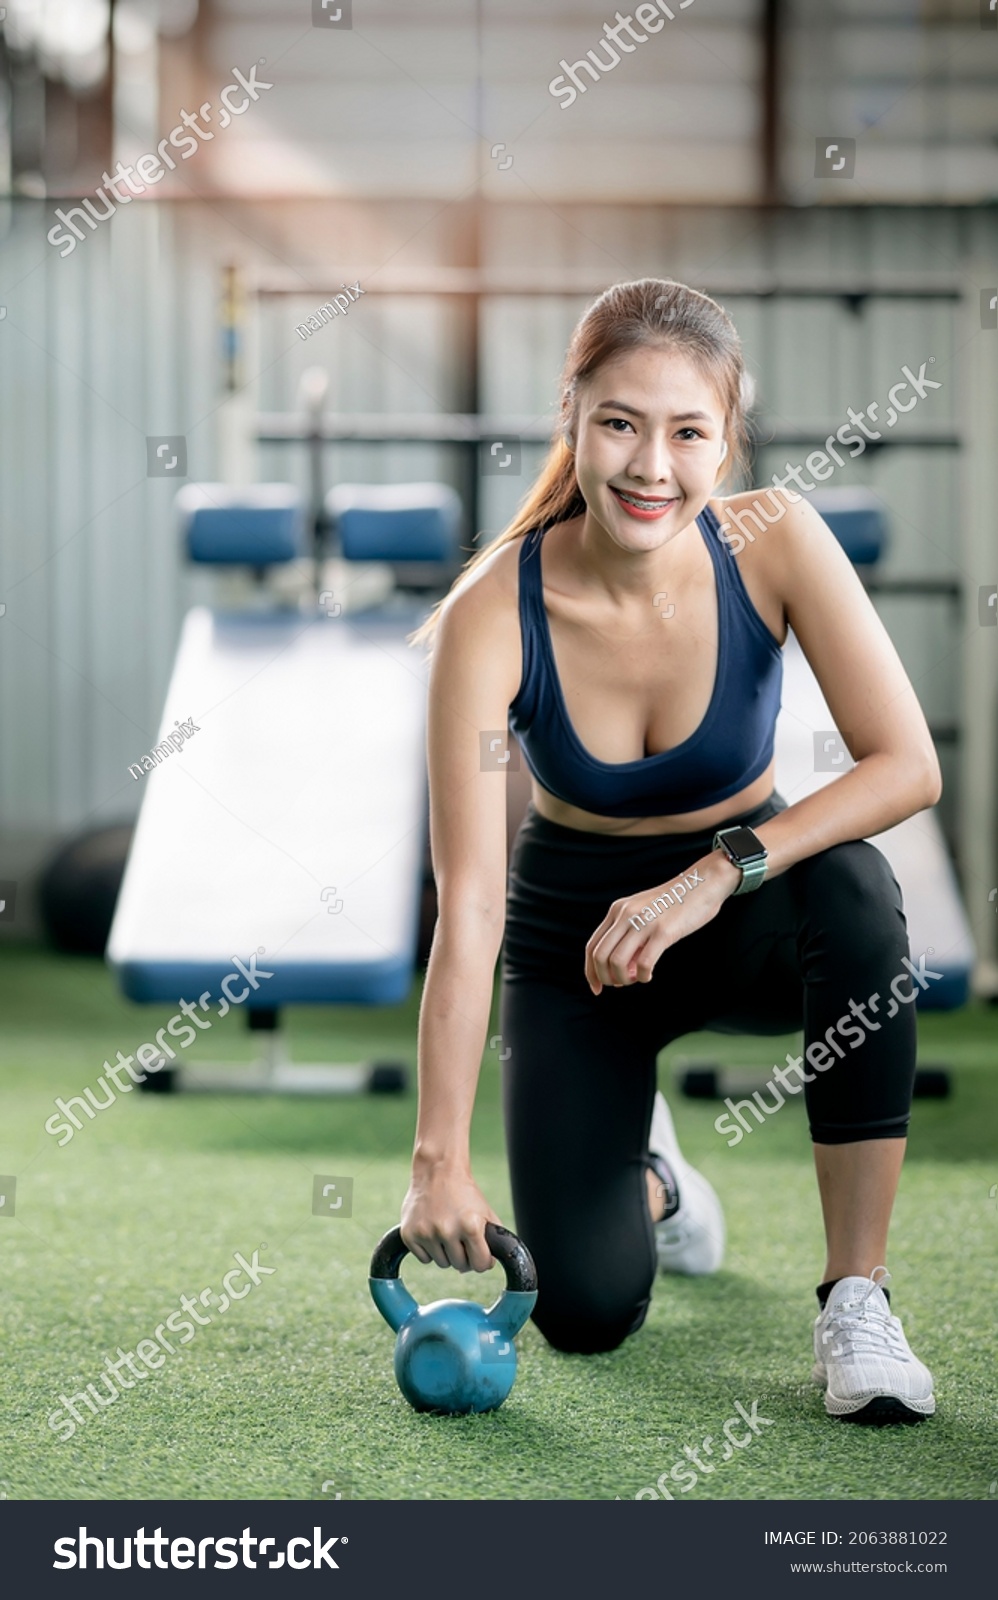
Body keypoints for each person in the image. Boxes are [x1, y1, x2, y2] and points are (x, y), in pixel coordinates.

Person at [401, 278, 940, 1425]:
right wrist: (433, 1158)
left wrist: (714, 871)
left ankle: (856, 1296)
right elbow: (471, 910)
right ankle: (657, 1183)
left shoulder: (773, 540)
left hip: (743, 906)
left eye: (686, 431)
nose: (652, 466)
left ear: (725, 439)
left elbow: (903, 765)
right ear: (571, 419)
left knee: (852, 890)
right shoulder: (490, 615)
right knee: (581, 1309)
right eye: (618, 424)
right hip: (573, 947)